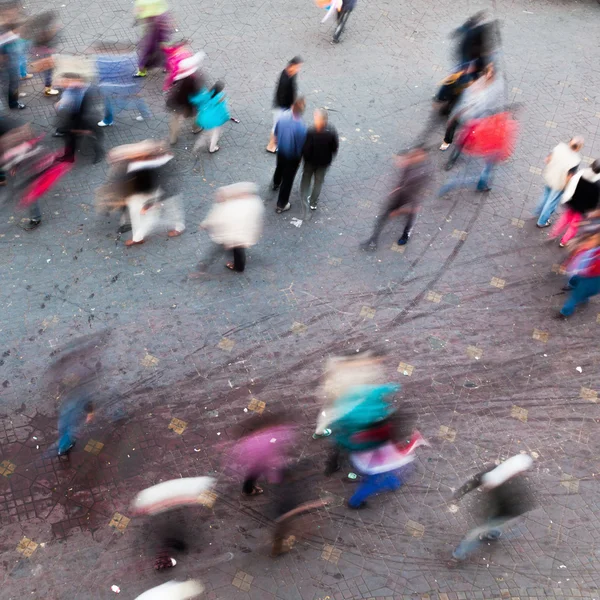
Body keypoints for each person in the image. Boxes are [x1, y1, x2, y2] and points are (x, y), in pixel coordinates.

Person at [451, 454, 534, 562]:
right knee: (493, 525)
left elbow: (516, 505)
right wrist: (460, 494)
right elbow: (476, 480)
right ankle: (492, 534)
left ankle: (458, 555)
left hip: (500, 514)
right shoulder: (494, 474)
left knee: (475, 535)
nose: (487, 486)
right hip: (496, 511)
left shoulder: (510, 489)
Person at [361, 146, 432, 250]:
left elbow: (419, 198)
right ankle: (373, 240)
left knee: (410, 218)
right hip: (400, 194)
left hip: (412, 199)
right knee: (383, 216)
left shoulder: (424, 172)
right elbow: (403, 178)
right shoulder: (410, 164)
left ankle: (406, 235)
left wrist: (400, 211)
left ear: (422, 155)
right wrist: (397, 188)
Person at [440, 62, 504, 162]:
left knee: (465, 136)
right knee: (452, 125)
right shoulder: (478, 78)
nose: (488, 73)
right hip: (463, 109)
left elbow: (488, 104)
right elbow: (466, 95)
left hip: (475, 115)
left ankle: (456, 154)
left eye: (491, 71)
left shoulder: (493, 87)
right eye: (488, 70)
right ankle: (447, 141)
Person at [197, 182, 264, 273]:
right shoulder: (253, 202)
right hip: (242, 235)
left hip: (233, 236)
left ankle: (238, 267)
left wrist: (205, 224)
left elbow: (216, 219)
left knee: (233, 250)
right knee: (238, 250)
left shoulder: (228, 206)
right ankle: (238, 265)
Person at [53, 72, 103, 164]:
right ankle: (69, 156)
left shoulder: (84, 90)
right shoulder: (72, 89)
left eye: (66, 81)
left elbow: (70, 102)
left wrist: (61, 104)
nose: (63, 83)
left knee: (87, 136)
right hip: (75, 117)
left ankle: (98, 152)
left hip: (84, 118)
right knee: (71, 137)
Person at [534, 137, 583, 228]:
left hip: (550, 177)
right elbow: (569, 177)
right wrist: (567, 187)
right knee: (551, 202)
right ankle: (542, 221)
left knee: (545, 195)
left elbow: (547, 160)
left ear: (569, 142)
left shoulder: (559, 147)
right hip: (559, 184)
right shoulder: (575, 160)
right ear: (578, 148)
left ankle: (538, 211)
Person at [551, 159, 600, 247]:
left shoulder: (582, 174)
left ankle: (554, 233)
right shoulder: (597, 185)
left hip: (572, 203)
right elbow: (594, 202)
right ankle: (563, 241)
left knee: (564, 220)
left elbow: (572, 186)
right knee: (573, 226)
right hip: (582, 210)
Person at [96, 53, 152, 127]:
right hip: (125, 82)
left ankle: (108, 120)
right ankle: (145, 114)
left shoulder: (104, 58)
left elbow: (103, 72)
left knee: (109, 99)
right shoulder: (129, 56)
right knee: (135, 96)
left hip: (116, 83)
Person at [163, 46, 204, 144]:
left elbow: (170, 81)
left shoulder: (178, 75)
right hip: (191, 100)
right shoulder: (194, 79)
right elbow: (199, 90)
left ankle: (173, 138)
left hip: (177, 98)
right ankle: (196, 128)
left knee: (176, 117)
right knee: (195, 113)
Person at [272, 97, 307, 213]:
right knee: (288, 180)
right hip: (292, 156)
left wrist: (277, 142)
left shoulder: (283, 117)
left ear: (292, 106)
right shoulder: (301, 127)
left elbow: (276, 132)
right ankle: (281, 204)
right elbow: (301, 145)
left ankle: (276, 182)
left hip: (281, 150)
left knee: (279, 167)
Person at [300, 108, 338, 210]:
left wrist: (305, 158)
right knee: (318, 182)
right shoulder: (331, 132)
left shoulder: (311, 132)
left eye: (316, 117)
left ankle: (304, 196)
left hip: (310, 162)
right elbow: (334, 148)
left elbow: (305, 148)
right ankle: (313, 202)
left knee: (306, 178)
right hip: (323, 163)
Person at [559, 231, 600, 318]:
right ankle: (579, 293)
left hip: (591, 277)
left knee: (576, 296)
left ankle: (565, 312)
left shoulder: (593, 252)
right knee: (577, 282)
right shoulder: (589, 249)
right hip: (585, 274)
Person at [266, 56, 303, 153]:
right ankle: (271, 146)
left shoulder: (290, 73)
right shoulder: (285, 80)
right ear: (292, 66)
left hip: (286, 106)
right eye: (297, 67)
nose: (298, 69)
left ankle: (278, 142)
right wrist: (288, 107)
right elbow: (282, 96)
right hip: (282, 107)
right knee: (277, 125)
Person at [133, 0, 171, 77]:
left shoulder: (143, 3)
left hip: (154, 30)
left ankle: (142, 69)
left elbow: (139, 10)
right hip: (158, 28)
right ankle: (167, 66)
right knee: (161, 49)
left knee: (147, 49)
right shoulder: (160, 14)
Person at [190, 81, 230, 154]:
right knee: (215, 133)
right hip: (213, 120)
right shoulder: (221, 97)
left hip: (202, 118)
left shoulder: (205, 93)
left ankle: (194, 129)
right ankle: (212, 148)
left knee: (198, 120)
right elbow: (223, 110)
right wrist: (226, 117)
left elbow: (195, 100)